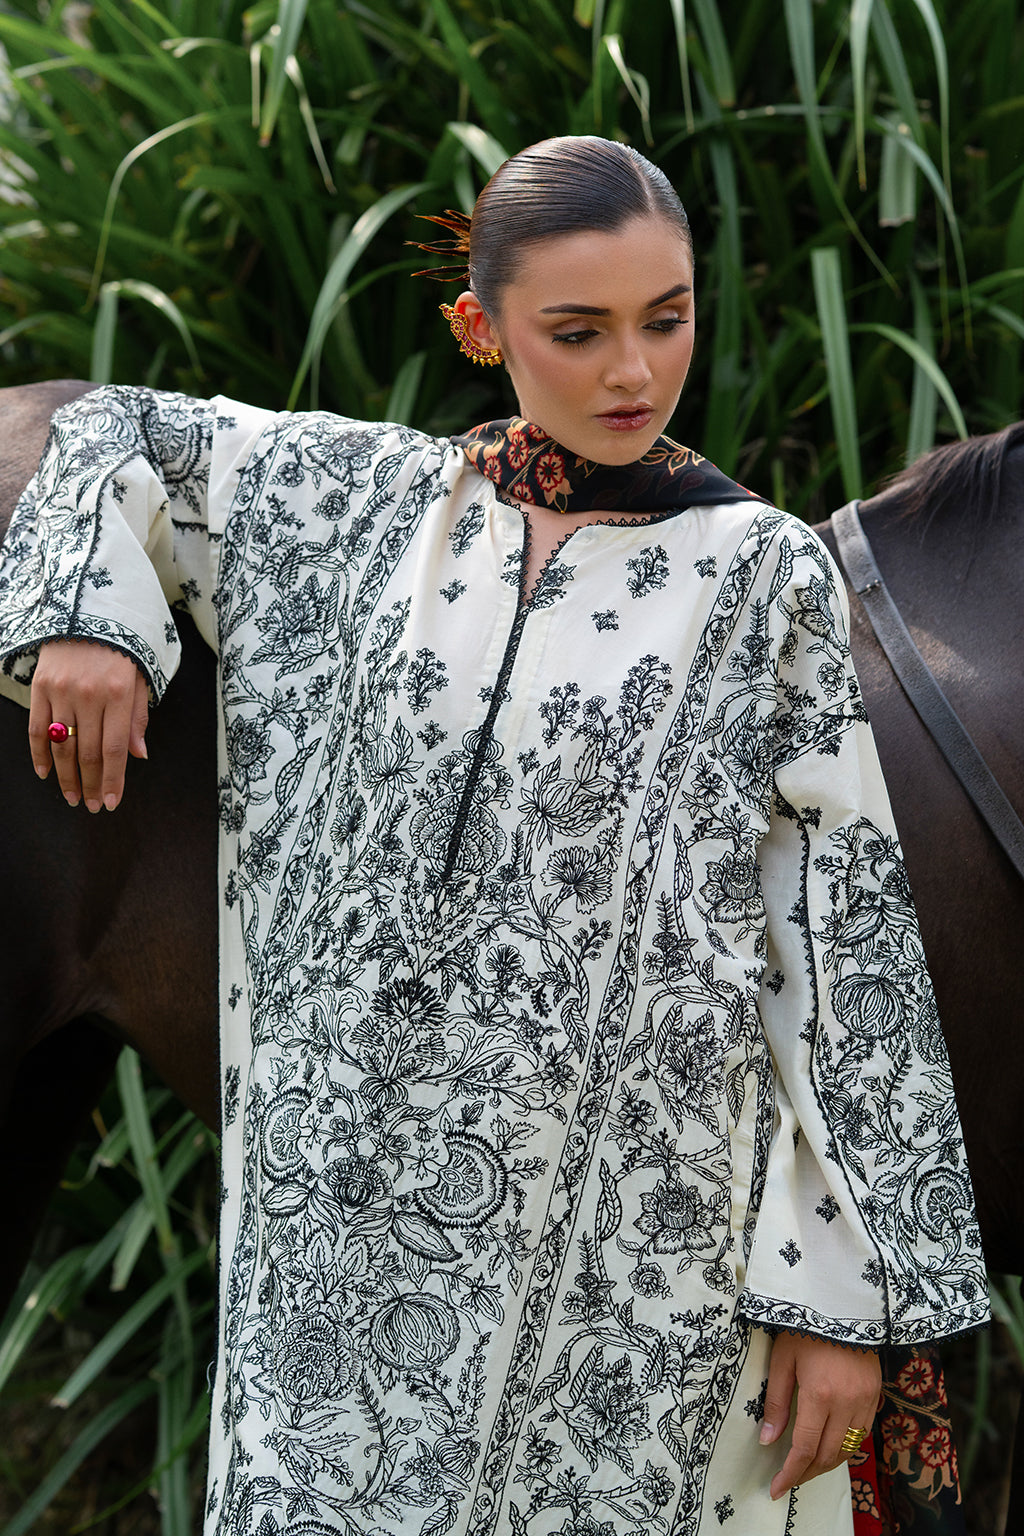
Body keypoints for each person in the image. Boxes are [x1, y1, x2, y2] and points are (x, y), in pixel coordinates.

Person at [0, 137, 986, 1536]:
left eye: (668, 318)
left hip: (636, 1288)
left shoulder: (766, 577)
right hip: (338, 1269)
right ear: (483, 326)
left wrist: (847, 1299)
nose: (634, 373)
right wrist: (87, 621)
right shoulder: (348, 513)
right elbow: (106, 432)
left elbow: (844, 947)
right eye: (577, 333)